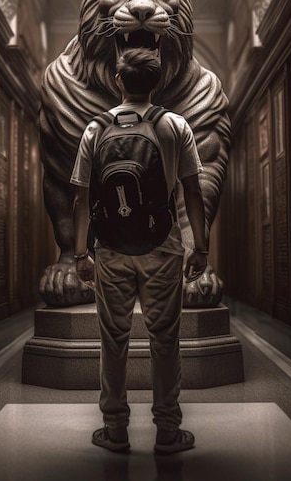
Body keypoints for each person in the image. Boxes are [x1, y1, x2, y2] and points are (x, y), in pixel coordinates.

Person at [70, 48, 208, 454]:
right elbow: (193, 191)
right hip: (163, 245)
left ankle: (115, 430)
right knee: (165, 339)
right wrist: (200, 246)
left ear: (118, 80)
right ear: (158, 81)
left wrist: (80, 254)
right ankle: (167, 431)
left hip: (110, 249)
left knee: (113, 340)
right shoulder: (175, 125)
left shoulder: (95, 129)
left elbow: (80, 197)